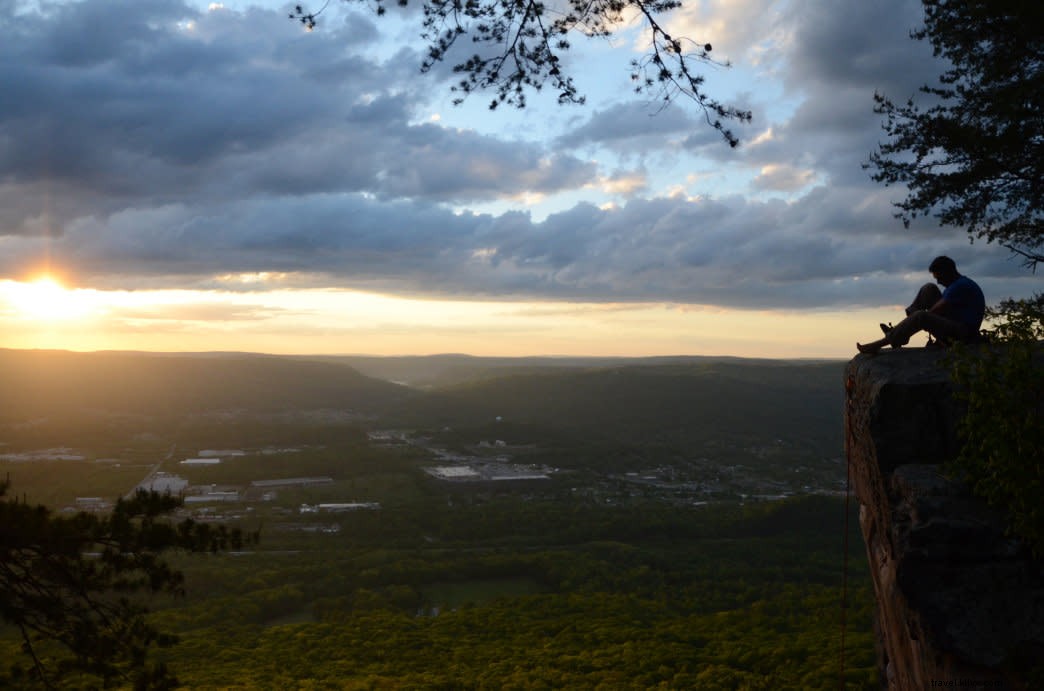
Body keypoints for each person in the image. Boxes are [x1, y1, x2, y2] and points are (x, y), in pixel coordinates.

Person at [857, 256, 985, 355]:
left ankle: (881, 343)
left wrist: (916, 320)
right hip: (956, 324)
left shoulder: (960, 286)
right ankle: (900, 333)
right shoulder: (957, 284)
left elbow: (935, 311)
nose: (938, 281)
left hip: (964, 335)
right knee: (928, 288)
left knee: (921, 317)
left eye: (939, 277)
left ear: (948, 272)